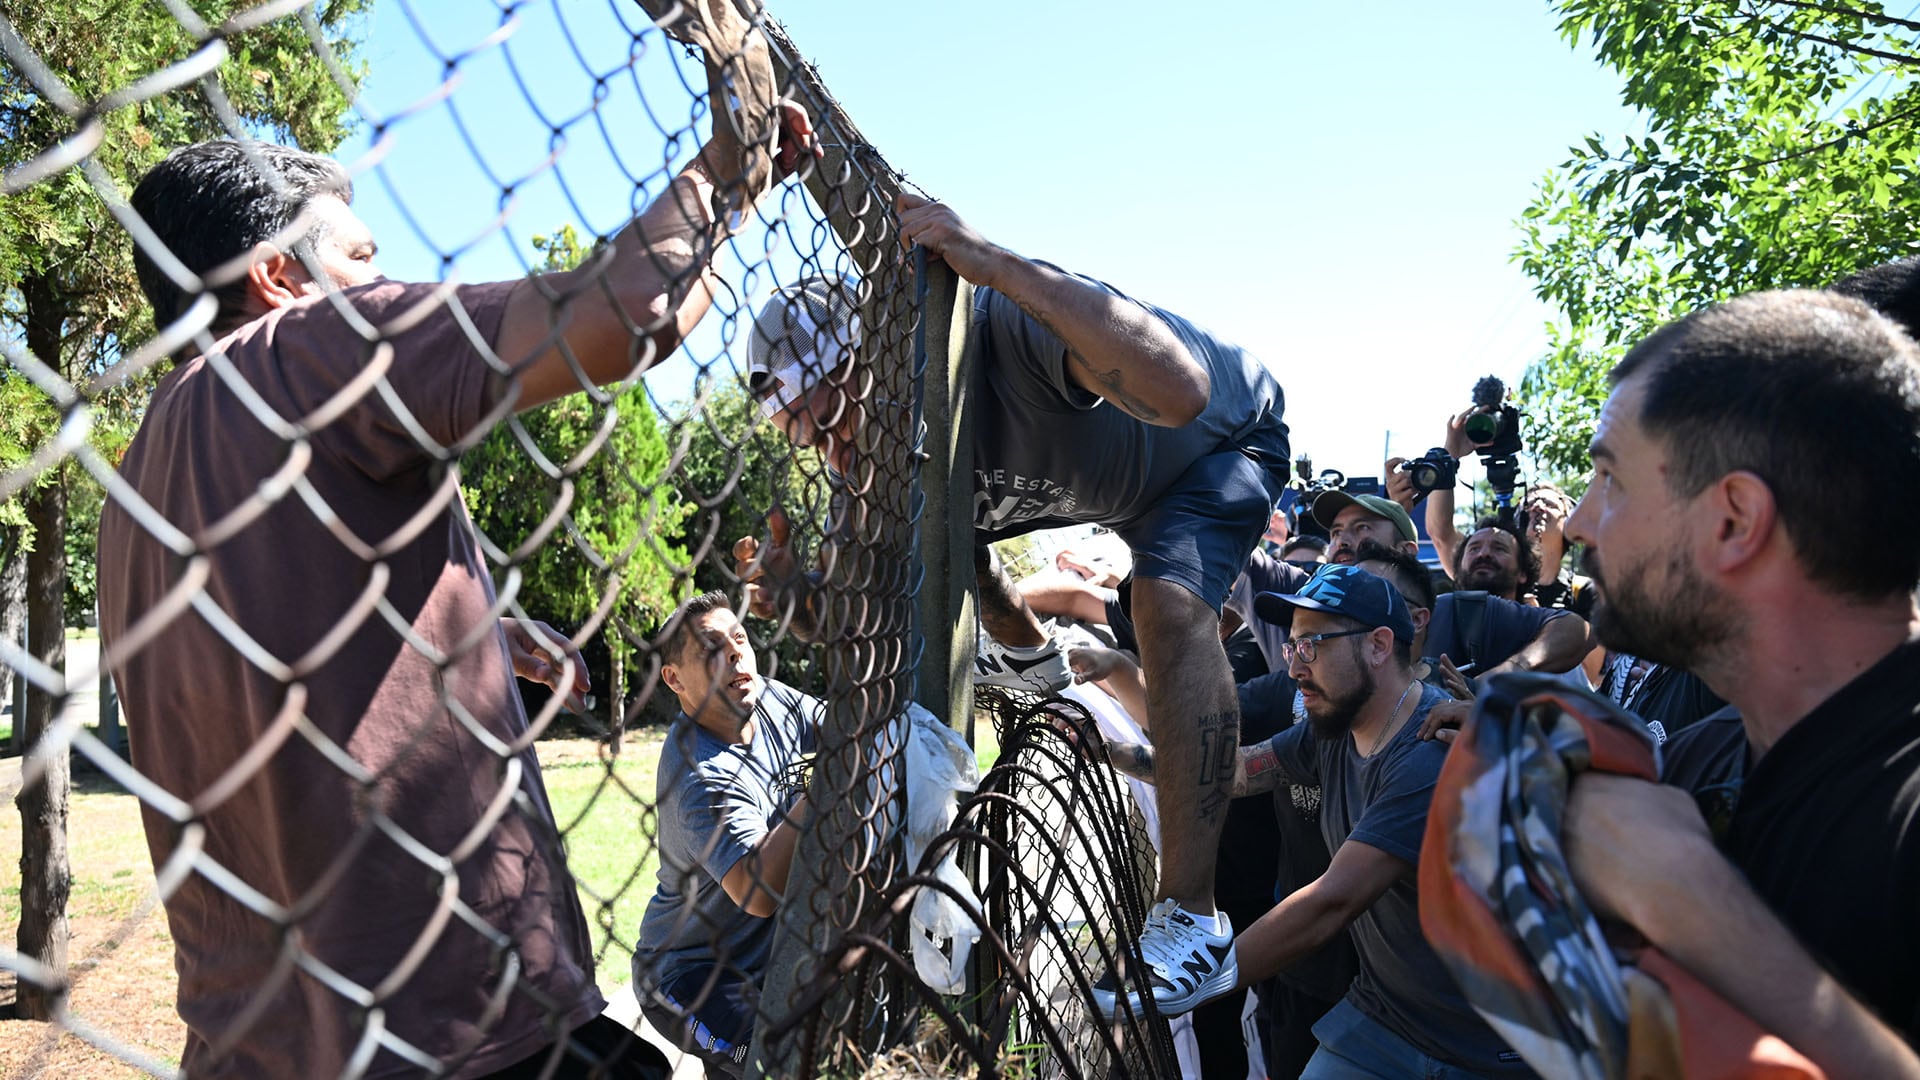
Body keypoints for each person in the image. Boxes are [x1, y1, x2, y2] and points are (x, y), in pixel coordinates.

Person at [97, 105, 814, 1078]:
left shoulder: (140, 475)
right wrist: (728, 176)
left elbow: (284, 643)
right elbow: (627, 310)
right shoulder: (301, 352)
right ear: (277, 278)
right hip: (457, 1035)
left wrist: (480, 627)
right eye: (358, 257)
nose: (383, 285)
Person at [740, 196, 1291, 1019]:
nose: (835, 448)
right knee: (1046, 584)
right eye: (809, 438)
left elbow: (1180, 392)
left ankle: (1192, 920)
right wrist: (798, 606)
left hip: (1223, 437)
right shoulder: (883, 474)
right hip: (1128, 498)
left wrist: (996, 263)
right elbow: (876, 619)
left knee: (1165, 607)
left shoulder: (999, 331)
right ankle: (1040, 675)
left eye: (836, 413)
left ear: (880, 364)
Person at [1560, 290, 1920, 1076]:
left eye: (1611, 480)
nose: (1578, 524)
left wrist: (1692, 904)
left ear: (1733, 520)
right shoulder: (1690, 767)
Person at [1096, 565, 1530, 1076]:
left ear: (1378, 644)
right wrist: (1110, 750)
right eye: (1292, 647)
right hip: (1387, 1017)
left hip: (1480, 1044)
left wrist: (1203, 978)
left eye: (1313, 645)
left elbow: (1333, 900)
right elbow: (1231, 773)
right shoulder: (1332, 729)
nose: (1297, 666)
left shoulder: (1431, 753)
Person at [632, 592, 823, 1079]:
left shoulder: (772, 699)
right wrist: (828, 782)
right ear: (673, 678)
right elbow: (756, 892)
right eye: (712, 648)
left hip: (773, 954)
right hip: (693, 974)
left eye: (740, 639)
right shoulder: (697, 772)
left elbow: (842, 728)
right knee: (773, 1058)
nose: (737, 653)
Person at [1308, 491, 1589, 677]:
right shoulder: (1309, 611)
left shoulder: (1462, 612)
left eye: (1363, 529)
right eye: (1335, 533)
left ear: (1420, 619)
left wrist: (1493, 683)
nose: (1342, 541)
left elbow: (1578, 630)